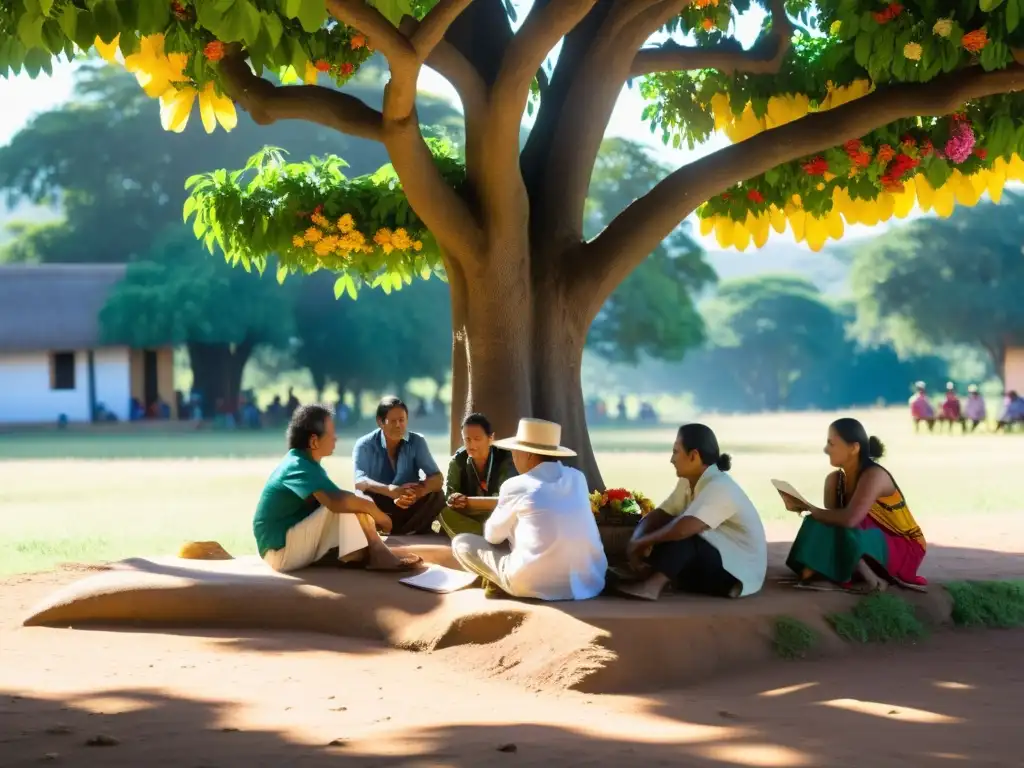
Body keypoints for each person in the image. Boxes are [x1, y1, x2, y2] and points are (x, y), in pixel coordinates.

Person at [450, 418, 607, 601]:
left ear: (528, 454)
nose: (514, 457)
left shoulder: (516, 485)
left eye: (516, 451)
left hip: (530, 583)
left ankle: (498, 582)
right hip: (589, 582)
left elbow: (492, 536)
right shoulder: (578, 478)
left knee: (462, 543)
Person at [253, 404, 422, 573]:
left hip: (284, 544)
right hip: (278, 551)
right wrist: (379, 516)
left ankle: (363, 553)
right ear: (314, 441)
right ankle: (377, 553)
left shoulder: (304, 463)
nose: (336, 438)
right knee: (349, 503)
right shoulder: (298, 465)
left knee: (354, 502)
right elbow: (336, 502)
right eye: (331, 434)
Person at [615, 423, 767, 602]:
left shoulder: (720, 487)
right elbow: (661, 513)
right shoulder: (688, 481)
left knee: (685, 533)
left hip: (737, 574)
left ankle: (652, 586)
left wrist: (643, 542)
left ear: (693, 456)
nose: (672, 459)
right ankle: (647, 574)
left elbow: (684, 529)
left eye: (675, 452)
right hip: (713, 566)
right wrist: (637, 540)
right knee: (665, 528)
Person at [784, 418, 927, 593]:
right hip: (862, 537)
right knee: (816, 522)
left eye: (831, 444)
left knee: (834, 522)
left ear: (853, 448)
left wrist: (811, 508)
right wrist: (808, 509)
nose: (826, 449)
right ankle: (847, 574)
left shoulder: (874, 475)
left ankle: (868, 579)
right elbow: (833, 526)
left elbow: (850, 520)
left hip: (903, 546)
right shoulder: (834, 480)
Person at [353, 396, 445, 534]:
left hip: (409, 500)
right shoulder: (365, 445)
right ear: (380, 422)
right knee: (362, 497)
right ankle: (407, 528)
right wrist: (390, 490)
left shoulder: (417, 441)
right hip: (381, 502)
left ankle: (399, 529)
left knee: (437, 495)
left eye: (401, 420)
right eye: (393, 421)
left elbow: (437, 478)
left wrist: (418, 491)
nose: (398, 425)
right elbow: (359, 481)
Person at [439, 413, 517, 538]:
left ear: (491, 438)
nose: (471, 445)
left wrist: (469, 502)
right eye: (467, 439)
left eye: (477, 439)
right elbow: (450, 496)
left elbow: (506, 500)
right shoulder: (458, 460)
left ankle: (476, 537)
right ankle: (488, 537)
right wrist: (454, 498)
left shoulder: (505, 458)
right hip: (470, 515)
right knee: (443, 511)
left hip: (498, 514)